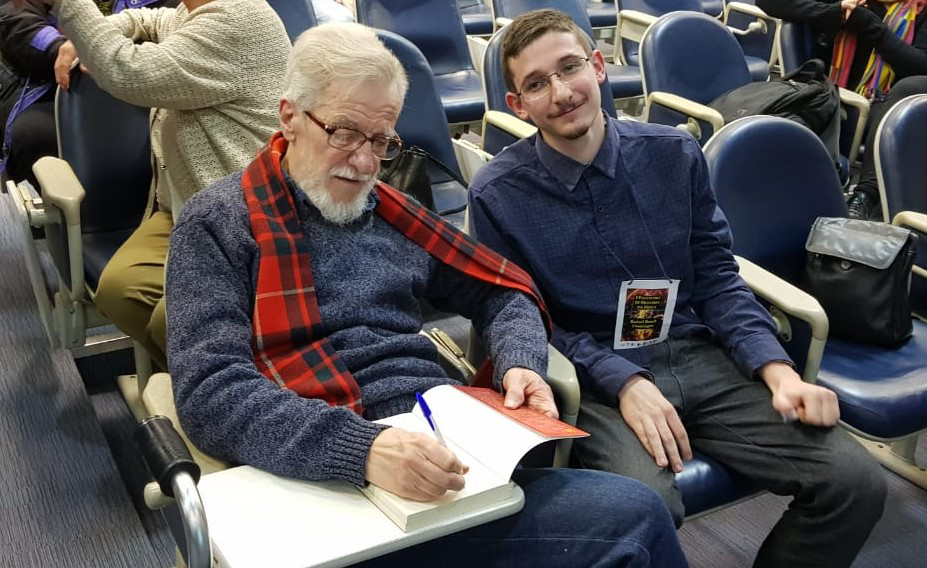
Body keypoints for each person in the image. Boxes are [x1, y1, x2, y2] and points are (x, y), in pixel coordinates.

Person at [165, 21, 687, 567]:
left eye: (381, 140)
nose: (365, 162)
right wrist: (361, 449)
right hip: (321, 475)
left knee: (632, 516)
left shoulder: (392, 214)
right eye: (344, 133)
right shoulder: (219, 224)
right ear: (289, 116)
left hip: (442, 447)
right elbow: (210, 391)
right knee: (636, 521)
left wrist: (519, 362)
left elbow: (501, 291)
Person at [468, 9, 887, 568]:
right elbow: (526, 319)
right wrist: (623, 382)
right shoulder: (499, 192)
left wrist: (775, 368)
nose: (562, 92)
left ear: (597, 66)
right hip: (596, 376)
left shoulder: (673, 152)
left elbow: (716, 277)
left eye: (570, 68)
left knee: (854, 481)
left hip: (693, 350)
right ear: (518, 104)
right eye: (537, 84)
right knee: (643, 511)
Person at [34, 0, 290, 368]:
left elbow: (129, 71)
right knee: (121, 292)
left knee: (171, 319)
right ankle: (205, 377)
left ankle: (234, 388)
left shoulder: (238, 20)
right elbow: (152, 20)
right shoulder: (195, 11)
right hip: (188, 207)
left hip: (244, 221)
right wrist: (84, 39)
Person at [756, 0, 927, 218]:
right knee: (905, 97)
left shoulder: (920, 9)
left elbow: (921, 67)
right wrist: (833, 12)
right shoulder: (854, 3)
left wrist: (872, 27)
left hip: (891, 103)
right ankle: (866, 195)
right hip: (845, 101)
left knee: (908, 91)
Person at [0, 0, 175, 187]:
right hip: (56, 90)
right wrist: (61, 48)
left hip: (143, 95)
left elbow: (165, 30)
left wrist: (96, 47)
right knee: (34, 134)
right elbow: (18, 21)